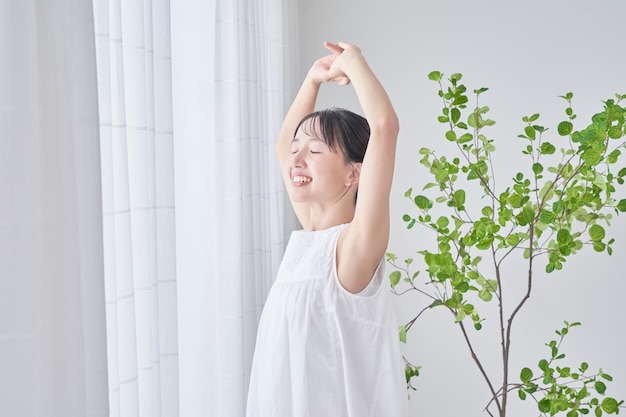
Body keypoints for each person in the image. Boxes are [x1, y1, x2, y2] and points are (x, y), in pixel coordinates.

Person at [246, 41, 408, 417]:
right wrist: (312, 80)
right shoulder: (309, 241)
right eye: (297, 150)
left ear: (355, 172)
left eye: (315, 151)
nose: (297, 159)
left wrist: (356, 63)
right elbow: (283, 146)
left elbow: (385, 128)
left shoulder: (354, 250)